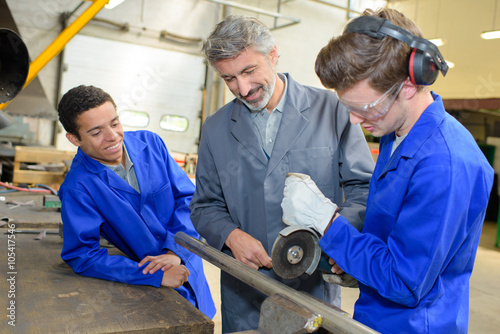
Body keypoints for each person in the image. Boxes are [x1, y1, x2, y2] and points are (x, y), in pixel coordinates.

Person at [281, 8, 494, 334]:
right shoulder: (398, 136)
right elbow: (388, 240)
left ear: (409, 84)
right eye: (348, 108)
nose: (354, 121)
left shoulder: (445, 165)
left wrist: (329, 223)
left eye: (364, 108)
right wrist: (349, 254)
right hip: (376, 317)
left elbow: (406, 283)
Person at [189, 15, 375, 332]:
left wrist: (341, 238)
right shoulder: (216, 128)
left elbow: (363, 189)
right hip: (245, 288)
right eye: (229, 78)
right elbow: (204, 205)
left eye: (249, 71)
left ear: (273, 54)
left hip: (313, 284)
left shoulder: (331, 110)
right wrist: (230, 236)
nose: (243, 88)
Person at [57, 85, 215, 318]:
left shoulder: (151, 144)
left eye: (114, 123)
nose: (112, 136)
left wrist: (175, 250)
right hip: (151, 283)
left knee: (203, 319)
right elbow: (82, 255)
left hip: (190, 263)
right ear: (74, 139)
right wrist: (154, 275)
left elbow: (188, 198)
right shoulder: (78, 187)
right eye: (96, 132)